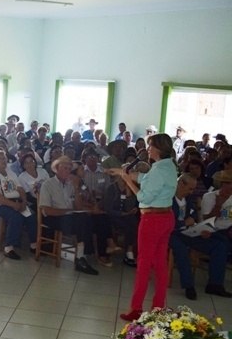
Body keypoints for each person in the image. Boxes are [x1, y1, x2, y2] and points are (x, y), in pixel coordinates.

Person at [112, 133, 178, 321]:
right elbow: (148, 179)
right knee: (160, 264)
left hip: (152, 220)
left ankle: (136, 308)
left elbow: (143, 197)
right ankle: (158, 306)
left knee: (143, 264)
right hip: (166, 217)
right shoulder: (169, 166)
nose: (147, 149)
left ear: (158, 148)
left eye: (150, 146)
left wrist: (127, 181)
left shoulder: (158, 170)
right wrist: (126, 173)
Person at [170, 173, 232, 300]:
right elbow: (165, 222)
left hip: (190, 232)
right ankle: (188, 286)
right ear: (181, 184)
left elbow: (193, 215)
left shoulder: (188, 199)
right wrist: (183, 223)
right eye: (190, 188)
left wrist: (200, 228)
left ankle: (215, 284)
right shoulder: (168, 199)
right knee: (181, 249)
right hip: (173, 233)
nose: (191, 192)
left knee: (220, 244)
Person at [39, 156, 101, 275]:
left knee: (85, 218)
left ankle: (81, 257)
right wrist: (67, 211)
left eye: (69, 169)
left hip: (69, 217)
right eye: (65, 168)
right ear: (57, 169)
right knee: (82, 220)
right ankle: (82, 256)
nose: (68, 171)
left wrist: (77, 188)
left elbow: (77, 207)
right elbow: (47, 210)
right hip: (52, 218)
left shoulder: (70, 184)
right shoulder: (48, 184)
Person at [0, 150, 37, 259]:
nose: (4, 160)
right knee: (15, 216)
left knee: (31, 215)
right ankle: (9, 248)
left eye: (4, 158)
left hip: (14, 202)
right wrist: (13, 205)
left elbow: (20, 189)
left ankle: (33, 244)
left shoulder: (10, 173)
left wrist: (23, 202)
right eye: (1, 159)